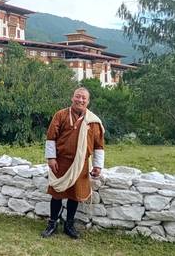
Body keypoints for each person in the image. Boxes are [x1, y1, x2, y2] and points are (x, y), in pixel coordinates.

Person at [41, 87, 105, 239]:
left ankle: (69, 225)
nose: (80, 100)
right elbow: (51, 137)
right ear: (72, 98)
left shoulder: (94, 122)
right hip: (60, 162)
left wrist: (97, 166)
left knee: (74, 196)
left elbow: (99, 146)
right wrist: (51, 158)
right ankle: (52, 223)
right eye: (78, 97)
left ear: (88, 101)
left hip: (81, 165)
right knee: (57, 194)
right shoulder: (61, 115)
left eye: (84, 98)